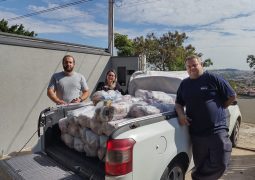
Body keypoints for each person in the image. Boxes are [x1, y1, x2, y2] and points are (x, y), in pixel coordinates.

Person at [175, 55, 236, 180]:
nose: (192, 68)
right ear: (186, 69)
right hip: (197, 133)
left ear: (201, 65)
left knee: (221, 162)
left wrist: (220, 108)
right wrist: (181, 115)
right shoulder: (184, 84)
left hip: (217, 129)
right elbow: (178, 103)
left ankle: (198, 177)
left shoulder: (212, 78)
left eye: (194, 65)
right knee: (200, 163)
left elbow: (232, 95)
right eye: (189, 66)